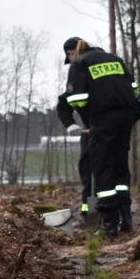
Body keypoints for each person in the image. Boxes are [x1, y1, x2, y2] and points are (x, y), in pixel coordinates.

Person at [62, 37, 140, 236]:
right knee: (120, 167)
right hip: (126, 118)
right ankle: (126, 218)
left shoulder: (80, 63)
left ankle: (108, 224)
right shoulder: (113, 59)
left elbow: (76, 100)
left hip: (101, 122)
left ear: (72, 53)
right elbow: (134, 91)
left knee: (101, 170)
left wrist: (88, 123)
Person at [55, 90, 92, 222]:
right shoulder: (81, 83)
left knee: (109, 177)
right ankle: (90, 217)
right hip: (90, 135)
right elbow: (63, 104)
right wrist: (70, 125)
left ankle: (117, 216)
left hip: (111, 135)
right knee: (89, 178)